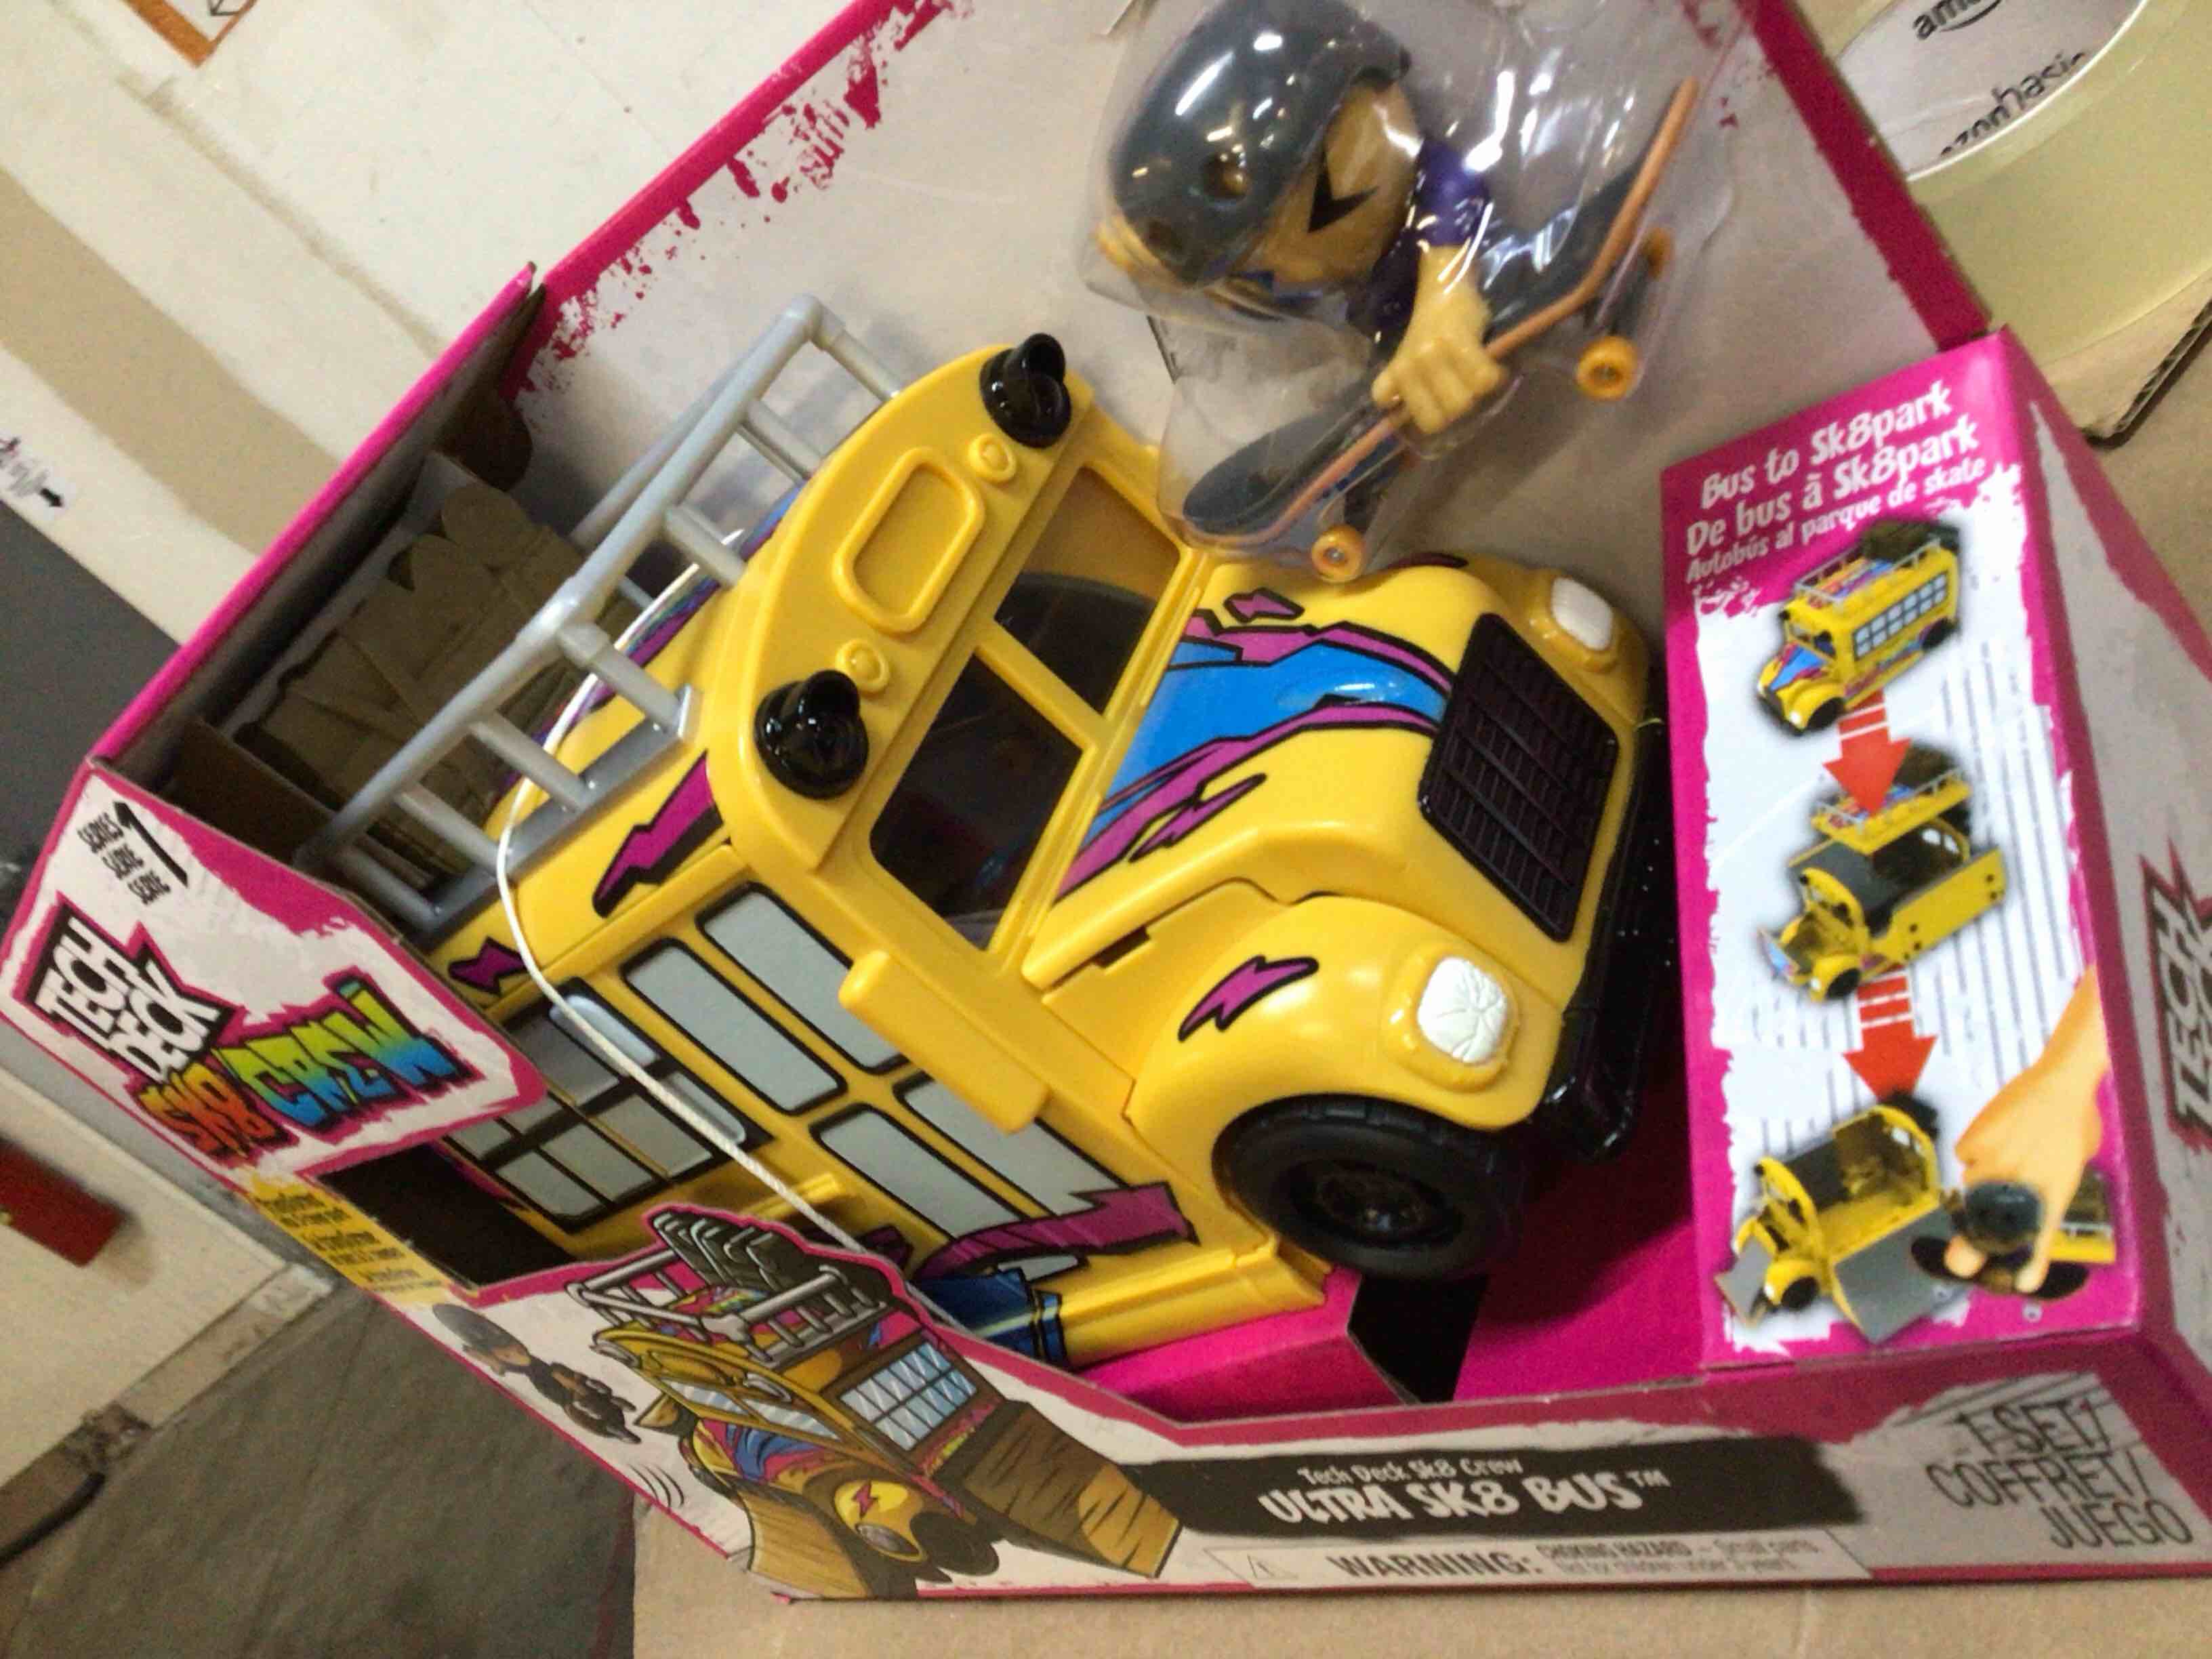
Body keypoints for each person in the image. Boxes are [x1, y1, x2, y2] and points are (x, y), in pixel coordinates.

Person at [1096, 0, 1507, 438]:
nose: (1294, 270)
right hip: (1404, 367)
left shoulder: (1428, 184)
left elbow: (1456, 192)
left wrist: (1446, 295)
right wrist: (1170, 272)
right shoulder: (1315, 284)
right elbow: (1276, 312)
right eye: (1261, 264)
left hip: (1497, 299)